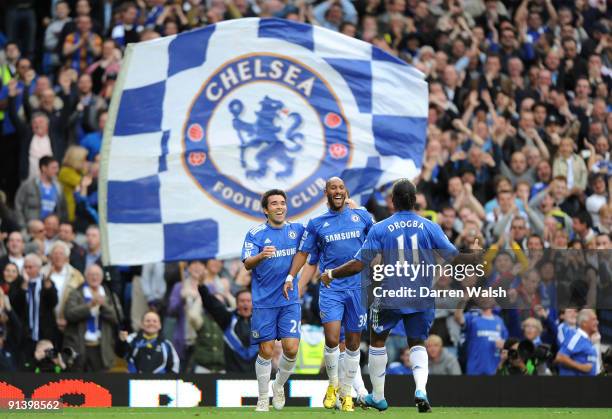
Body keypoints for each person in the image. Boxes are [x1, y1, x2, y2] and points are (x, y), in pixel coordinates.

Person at [320, 179, 474, 413]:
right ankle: (420, 389)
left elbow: (358, 264)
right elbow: (454, 257)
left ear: (392, 202)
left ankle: (379, 396)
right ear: (414, 201)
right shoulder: (430, 226)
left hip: (389, 295)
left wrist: (332, 273)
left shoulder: (380, 228)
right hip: (421, 295)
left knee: (377, 341)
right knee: (418, 343)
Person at [284, 177, 373, 411]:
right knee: (333, 339)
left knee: (353, 344)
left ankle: (348, 393)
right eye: (333, 188)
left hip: (358, 289)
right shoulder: (316, 223)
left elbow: (379, 239)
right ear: (326, 192)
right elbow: (305, 255)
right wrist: (293, 278)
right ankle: (334, 385)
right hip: (331, 289)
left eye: (341, 187)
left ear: (346, 192)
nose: (337, 191)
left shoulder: (362, 217)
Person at [241, 189, 305, 411]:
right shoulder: (256, 233)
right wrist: (261, 255)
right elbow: (248, 262)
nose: (279, 207)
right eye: (274, 204)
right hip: (264, 302)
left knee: (291, 348)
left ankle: (278, 386)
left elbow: (306, 252)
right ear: (266, 209)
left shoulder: (297, 230)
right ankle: (261, 397)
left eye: (282, 203)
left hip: (289, 300)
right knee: (266, 351)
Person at [63, 264, 121, 371]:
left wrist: (104, 306)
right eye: (91, 274)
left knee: (100, 384)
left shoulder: (109, 295)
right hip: (80, 346)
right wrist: (89, 306)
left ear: (102, 277)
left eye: (97, 274)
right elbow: (69, 314)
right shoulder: (76, 293)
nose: (94, 277)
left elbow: (118, 317)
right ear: (86, 276)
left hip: (102, 347)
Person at [14, 156, 67, 229]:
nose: (57, 171)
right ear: (44, 168)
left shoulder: (58, 187)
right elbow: (18, 206)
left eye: (57, 168)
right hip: (32, 227)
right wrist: (22, 225)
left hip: (51, 228)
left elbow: (63, 209)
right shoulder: (28, 185)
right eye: (53, 168)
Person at [555, 309, 599, 376]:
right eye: (593, 320)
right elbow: (560, 357)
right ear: (584, 323)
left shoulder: (587, 339)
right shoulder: (575, 337)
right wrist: (581, 367)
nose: (597, 322)